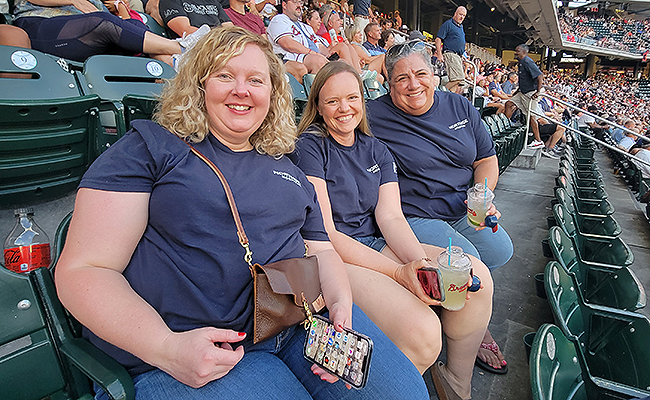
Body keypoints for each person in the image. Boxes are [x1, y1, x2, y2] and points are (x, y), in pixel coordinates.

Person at [55, 26, 428, 400]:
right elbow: (85, 270)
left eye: (256, 79)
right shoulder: (151, 148)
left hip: (297, 322)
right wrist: (165, 347)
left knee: (406, 393)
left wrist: (340, 302)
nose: (241, 90)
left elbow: (322, 248)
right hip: (190, 351)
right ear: (198, 84)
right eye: (224, 75)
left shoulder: (287, 165)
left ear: (273, 93)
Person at [291, 61, 494, 400]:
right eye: (332, 101)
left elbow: (391, 218)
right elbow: (325, 233)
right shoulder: (310, 147)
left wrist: (421, 265)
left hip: (373, 243)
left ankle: (457, 383)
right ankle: (390, 388)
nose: (344, 108)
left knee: (477, 277)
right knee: (424, 332)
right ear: (318, 108)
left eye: (352, 97)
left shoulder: (377, 149)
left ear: (362, 100)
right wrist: (400, 272)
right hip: (333, 255)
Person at [366, 41, 513, 378]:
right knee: (471, 263)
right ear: (388, 82)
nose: (413, 84)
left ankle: (460, 310)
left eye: (420, 74)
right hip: (415, 214)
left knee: (501, 250)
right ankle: (472, 328)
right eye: (401, 78)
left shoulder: (460, 106)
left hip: (464, 207)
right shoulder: (373, 114)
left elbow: (485, 159)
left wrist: (484, 195)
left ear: (434, 74)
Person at [12, 0, 182, 64]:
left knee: (132, 27)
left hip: (90, 36)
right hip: (41, 25)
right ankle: (182, 48)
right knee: (103, 22)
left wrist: (119, 5)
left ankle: (174, 61)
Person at [267, 0, 330, 81]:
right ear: (284, 5)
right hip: (289, 57)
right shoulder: (279, 20)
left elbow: (319, 46)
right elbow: (287, 43)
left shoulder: (306, 27)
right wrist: (313, 53)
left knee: (340, 61)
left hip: (310, 56)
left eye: (300, 3)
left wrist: (330, 54)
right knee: (318, 62)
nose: (299, 6)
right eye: (295, 2)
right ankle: (315, 93)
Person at [504, 44, 544, 149]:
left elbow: (539, 76)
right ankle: (506, 127)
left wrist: (538, 91)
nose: (515, 52)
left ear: (524, 52)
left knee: (531, 117)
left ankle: (538, 140)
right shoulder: (521, 63)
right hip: (522, 92)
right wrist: (517, 91)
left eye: (517, 51)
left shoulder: (527, 61)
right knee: (508, 103)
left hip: (530, 93)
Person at [159, 0, 233, 39]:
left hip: (221, 47)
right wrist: (220, 39)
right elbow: (185, 31)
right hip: (195, 51)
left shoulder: (214, 2)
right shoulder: (171, 1)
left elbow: (230, 29)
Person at [435, 6, 467, 93]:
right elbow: (438, 39)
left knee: (458, 83)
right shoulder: (448, 24)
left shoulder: (460, 27)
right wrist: (439, 54)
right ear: (455, 13)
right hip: (450, 54)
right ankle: (440, 93)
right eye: (460, 14)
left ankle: (447, 99)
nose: (462, 17)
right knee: (458, 78)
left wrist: (462, 55)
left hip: (458, 56)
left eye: (464, 16)